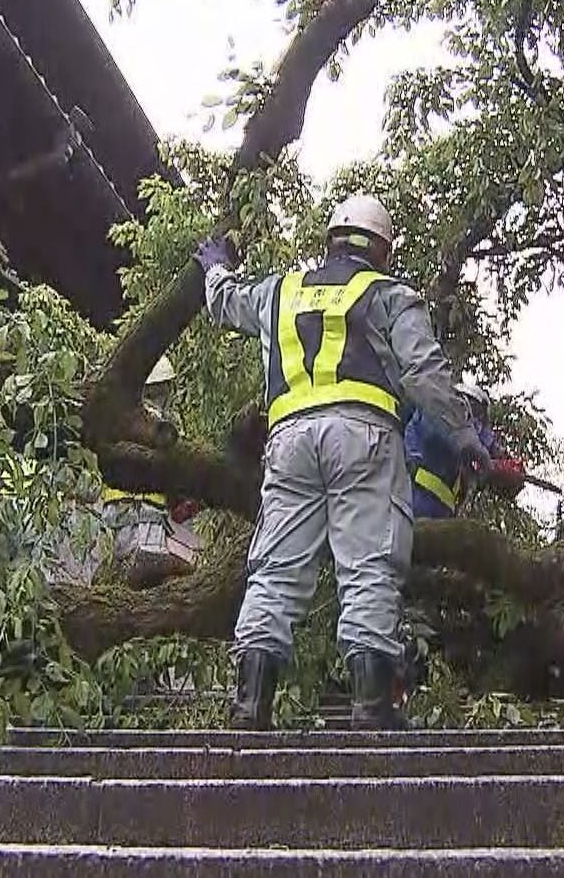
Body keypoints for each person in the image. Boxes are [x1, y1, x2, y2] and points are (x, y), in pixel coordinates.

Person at [196, 194, 489, 730]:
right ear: (381, 248)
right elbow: (424, 373)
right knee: (369, 566)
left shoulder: (279, 290)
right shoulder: (389, 294)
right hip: (364, 437)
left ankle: (249, 706)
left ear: (330, 240)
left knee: (276, 571)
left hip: (288, 443)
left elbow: (225, 302)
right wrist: (466, 436)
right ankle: (371, 707)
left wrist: (214, 266)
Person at [97, 356, 202, 588]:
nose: (159, 398)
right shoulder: (159, 434)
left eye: (161, 391)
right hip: (141, 525)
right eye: (156, 391)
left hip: (123, 525)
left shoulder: (119, 425)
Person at [405, 381, 526, 520]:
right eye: (478, 415)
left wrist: (504, 468)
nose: (479, 421)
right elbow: (478, 439)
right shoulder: (446, 413)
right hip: (417, 502)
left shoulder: (456, 453)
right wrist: (503, 462)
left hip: (433, 510)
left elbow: (481, 455)